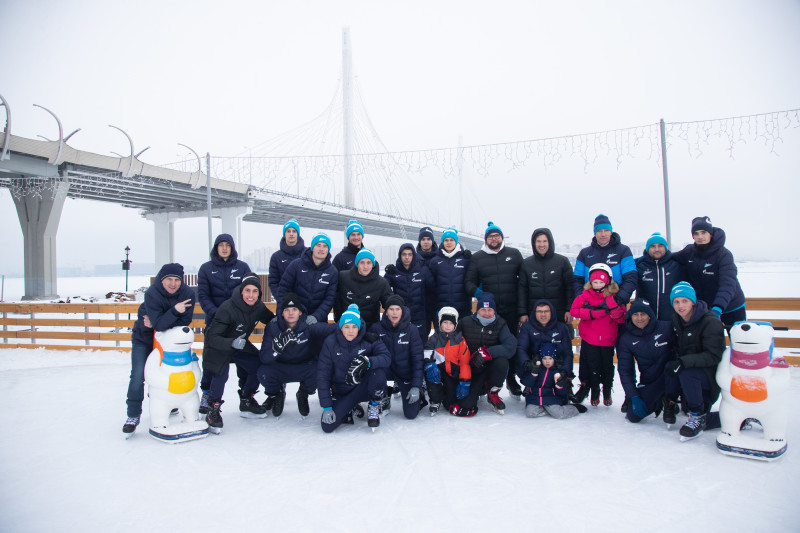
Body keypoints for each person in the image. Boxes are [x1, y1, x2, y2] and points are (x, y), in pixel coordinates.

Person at [122, 263, 195, 435]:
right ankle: (133, 415)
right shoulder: (152, 294)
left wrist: (160, 321)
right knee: (138, 375)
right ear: (162, 280)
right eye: (169, 279)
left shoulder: (188, 294)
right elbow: (159, 325)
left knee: (170, 372)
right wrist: (174, 311)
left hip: (168, 341)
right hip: (144, 337)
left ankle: (168, 404)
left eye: (176, 280)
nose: (173, 283)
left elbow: (182, 323)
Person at [201, 274, 275, 433]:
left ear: (259, 294)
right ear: (242, 291)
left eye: (255, 291)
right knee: (221, 374)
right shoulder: (228, 308)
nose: (251, 295)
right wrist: (231, 343)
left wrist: (288, 322)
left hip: (239, 345)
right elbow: (212, 337)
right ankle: (212, 408)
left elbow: (272, 320)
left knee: (258, 363)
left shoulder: (258, 306)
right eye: (247, 290)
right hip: (219, 346)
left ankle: (246, 399)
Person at [465, 221, 524, 397]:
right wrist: (481, 295)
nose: (494, 239)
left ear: (501, 237)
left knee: (511, 344)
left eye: (497, 236)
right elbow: (468, 283)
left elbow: (524, 280)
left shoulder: (514, 254)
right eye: (491, 236)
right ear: (486, 239)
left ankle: (511, 378)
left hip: (511, 309)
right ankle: (485, 380)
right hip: (488, 312)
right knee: (486, 345)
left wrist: (522, 309)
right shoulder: (478, 258)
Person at [258, 292, 338, 418]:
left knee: (320, 368)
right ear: (282, 313)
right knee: (263, 371)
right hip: (281, 366)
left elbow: (334, 328)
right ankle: (277, 394)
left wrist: (355, 323)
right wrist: (276, 350)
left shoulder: (308, 325)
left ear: (300, 312)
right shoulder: (273, 327)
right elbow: (264, 357)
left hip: (304, 366)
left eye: (294, 309)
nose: (291, 313)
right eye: (287, 310)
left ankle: (303, 393)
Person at [197, 233, 252, 413]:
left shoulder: (242, 267)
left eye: (227, 245)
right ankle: (207, 393)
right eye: (221, 245)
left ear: (232, 247)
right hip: (215, 324)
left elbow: (248, 294)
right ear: (216, 248)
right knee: (211, 363)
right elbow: (203, 296)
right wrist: (220, 315)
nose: (224, 248)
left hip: (238, 326)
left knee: (245, 362)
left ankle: (246, 395)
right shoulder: (206, 269)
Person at [663, 282, 724, 439]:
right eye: (676, 302)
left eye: (685, 301)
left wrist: (683, 362)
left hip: (709, 376)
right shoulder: (677, 319)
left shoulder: (710, 322)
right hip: (692, 372)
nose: (680, 305)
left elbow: (714, 355)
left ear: (693, 301)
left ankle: (697, 416)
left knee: (686, 372)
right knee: (671, 366)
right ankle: (671, 403)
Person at [317, 304, 391, 432]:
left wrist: (368, 362)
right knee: (327, 427)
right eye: (346, 327)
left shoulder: (369, 339)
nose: (350, 331)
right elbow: (323, 375)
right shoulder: (330, 342)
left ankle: (374, 405)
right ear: (341, 328)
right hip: (343, 391)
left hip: (363, 388)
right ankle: (351, 406)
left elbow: (386, 357)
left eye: (354, 327)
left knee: (377, 371)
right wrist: (327, 407)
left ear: (359, 328)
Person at [670, 216, 746, 332]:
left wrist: (718, 308)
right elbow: (668, 258)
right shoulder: (689, 252)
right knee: (712, 342)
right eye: (696, 233)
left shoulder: (724, 255)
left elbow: (728, 284)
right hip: (706, 309)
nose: (700, 237)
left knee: (738, 341)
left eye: (703, 232)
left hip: (731, 306)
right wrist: (643, 260)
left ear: (710, 233)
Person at [569, 263, 626, 407]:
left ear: (607, 281)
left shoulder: (614, 296)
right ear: (590, 282)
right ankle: (594, 390)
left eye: (601, 282)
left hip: (607, 338)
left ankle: (606, 390)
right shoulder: (586, 295)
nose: (598, 285)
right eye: (595, 282)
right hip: (590, 337)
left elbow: (620, 317)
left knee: (607, 366)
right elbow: (574, 310)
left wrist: (612, 307)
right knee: (592, 365)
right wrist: (592, 314)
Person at [616, 298, 674, 422]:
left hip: (671, 376)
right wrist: (634, 396)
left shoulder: (666, 328)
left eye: (643, 314)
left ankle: (672, 400)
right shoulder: (627, 339)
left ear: (650, 315)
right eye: (635, 315)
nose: (640, 318)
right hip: (650, 381)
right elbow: (625, 370)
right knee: (633, 416)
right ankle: (659, 401)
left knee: (673, 368)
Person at [460, 292, 518, 415]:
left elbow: (511, 346)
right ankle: (479, 389)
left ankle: (493, 393)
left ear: (494, 311)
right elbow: (455, 342)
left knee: (502, 362)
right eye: (483, 309)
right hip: (472, 367)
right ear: (477, 310)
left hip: (490, 367)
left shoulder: (500, 323)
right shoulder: (465, 322)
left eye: (490, 310)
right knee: (466, 404)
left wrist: (486, 353)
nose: (487, 313)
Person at [369, 295, 424, 419]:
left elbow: (417, 359)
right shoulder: (377, 328)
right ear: (386, 312)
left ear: (403, 310)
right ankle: (383, 396)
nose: (394, 313)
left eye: (397, 309)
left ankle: (419, 393)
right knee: (375, 370)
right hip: (385, 371)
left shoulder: (412, 330)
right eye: (391, 309)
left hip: (405, 373)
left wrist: (416, 386)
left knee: (411, 414)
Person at [572, 214, 637, 306]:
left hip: (616, 304)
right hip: (590, 305)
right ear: (595, 233)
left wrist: (619, 299)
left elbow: (631, 278)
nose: (603, 234)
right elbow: (577, 280)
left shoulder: (623, 251)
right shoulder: (584, 254)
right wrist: (583, 300)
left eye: (606, 230)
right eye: (599, 231)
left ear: (611, 231)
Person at [518, 228, 574, 329]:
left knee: (561, 343)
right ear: (534, 243)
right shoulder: (526, 264)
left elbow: (569, 288)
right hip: (535, 315)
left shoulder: (562, 262)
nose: (541, 245)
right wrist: (523, 313)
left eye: (545, 241)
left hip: (559, 315)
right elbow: (522, 289)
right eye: (538, 241)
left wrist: (569, 309)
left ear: (550, 242)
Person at [277, 232, 338, 325]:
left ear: (328, 249)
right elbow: (283, 290)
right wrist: (280, 314)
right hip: (294, 320)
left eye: (325, 246)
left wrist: (316, 316)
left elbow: (329, 299)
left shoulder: (332, 271)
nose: (321, 249)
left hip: (318, 321)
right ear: (313, 247)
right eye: (318, 245)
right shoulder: (296, 265)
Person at [516, 299, 574, 395]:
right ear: (535, 313)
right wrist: (527, 364)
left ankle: (564, 383)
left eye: (546, 311)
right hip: (536, 364)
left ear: (552, 312)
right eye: (539, 311)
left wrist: (565, 372)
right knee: (521, 358)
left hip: (556, 364)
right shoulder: (527, 327)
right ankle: (530, 384)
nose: (543, 314)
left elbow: (567, 352)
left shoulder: (561, 327)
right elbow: (521, 348)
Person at [423, 307, 471, 416]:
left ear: (455, 325)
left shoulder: (460, 340)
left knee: (451, 402)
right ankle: (435, 400)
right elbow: (427, 352)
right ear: (440, 323)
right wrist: (430, 364)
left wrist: (464, 381)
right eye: (445, 322)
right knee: (432, 375)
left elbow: (465, 363)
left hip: (453, 374)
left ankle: (445, 395)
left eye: (451, 323)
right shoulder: (434, 338)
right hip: (438, 371)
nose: (448, 325)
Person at [518, 343, 584, 419]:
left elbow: (562, 393)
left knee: (559, 414)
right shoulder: (536, 368)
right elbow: (527, 383)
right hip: (535, 398)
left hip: (551, 399)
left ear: (554, 359)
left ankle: (575, 409)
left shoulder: (557, 372)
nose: (547, 361)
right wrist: (533, 374)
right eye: (545, 358)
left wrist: (559, 386)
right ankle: (549, 411)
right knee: (530, 413)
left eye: (550, 358)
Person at [384, 243, 434, 341]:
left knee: (420, 344)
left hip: (420, 315)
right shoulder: (394, 271)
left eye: (410, 254)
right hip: (400, 316)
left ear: (414, 256)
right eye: (404, 254)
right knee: (402, 346)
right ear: (400, 255)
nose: (407, 257)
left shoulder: (422, 270)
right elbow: (382, 288)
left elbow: (433, 289)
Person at [334, 248, 391, 327]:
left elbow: (390, 303)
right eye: (362, 263)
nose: (365, 266)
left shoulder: (381, 283)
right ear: (357, 264)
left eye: (368, 263)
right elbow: (331, 294)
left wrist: (403, 316)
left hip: (370, 327)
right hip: (347, 326)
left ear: (373, 264)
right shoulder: (343, 277)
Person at [635, 232, 684, 320]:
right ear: (647, 249)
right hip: (647, 321)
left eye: (660, 245)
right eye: (653, 246)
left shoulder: (676, 266)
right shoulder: (640, 267)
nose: (657, 249)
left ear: (665, 248)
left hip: (672, 320)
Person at [427, 227, 472, 322]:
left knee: (463, 336)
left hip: (463, 309)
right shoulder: (435, 261)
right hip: (442, 309)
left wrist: (472, 259)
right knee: (444, 336)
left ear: (456, 242)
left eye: (452, 240)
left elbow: (472, 279)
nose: (449, 242)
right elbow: (431, 285)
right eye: (446, 240)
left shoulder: (465, 259)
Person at [268, 218, 306, 301]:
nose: (291, 234)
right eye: (288, 231)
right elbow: (273, 282)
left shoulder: (307, 254)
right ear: (284, 234)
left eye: (294, 231)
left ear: (298, 234)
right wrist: (281, 299)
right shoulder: (276, 257)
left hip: (305, 302)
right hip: (284, 303)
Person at [416, 226, 439, 333]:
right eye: (423, 239)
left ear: (433, 241)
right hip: (421, 304)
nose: (426, 242)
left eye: (429, 239)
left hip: (438, 302)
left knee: (441, 335)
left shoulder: (440, 256)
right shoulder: (414, 258)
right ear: (419, 241)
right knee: (422, 337)